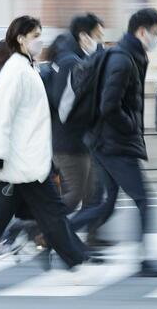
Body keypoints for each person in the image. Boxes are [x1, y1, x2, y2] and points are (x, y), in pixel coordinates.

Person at [0, 16, 94, 283]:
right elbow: (1, 115)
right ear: (21, 38)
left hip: (26, 159)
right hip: (19, 161)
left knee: (2, 214)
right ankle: (78, 261)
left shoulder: (26, 68)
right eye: (35, 35)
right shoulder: (15, 71)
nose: (40, 40)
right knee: (51, 213)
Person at [69, 8, 157, 277]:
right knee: (144, 199)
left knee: (108, 202)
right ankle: (145, 261)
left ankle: (57, 233)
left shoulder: (130, 55)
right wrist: (130, 127)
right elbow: (109, 105)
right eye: (155, 33)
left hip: (106, 141)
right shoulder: (123, 60)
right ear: (142, 31)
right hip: (113, 143)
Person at [49, 14, 107, 235]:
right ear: (84, 36)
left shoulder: (76, 59)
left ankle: (92, 239)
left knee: (93, 193)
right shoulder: (70, 63)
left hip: (81, 141)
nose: (100, 41)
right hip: (70, 143)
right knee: (74, 196)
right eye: (98, 36)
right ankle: (35, 228)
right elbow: (65, 107)